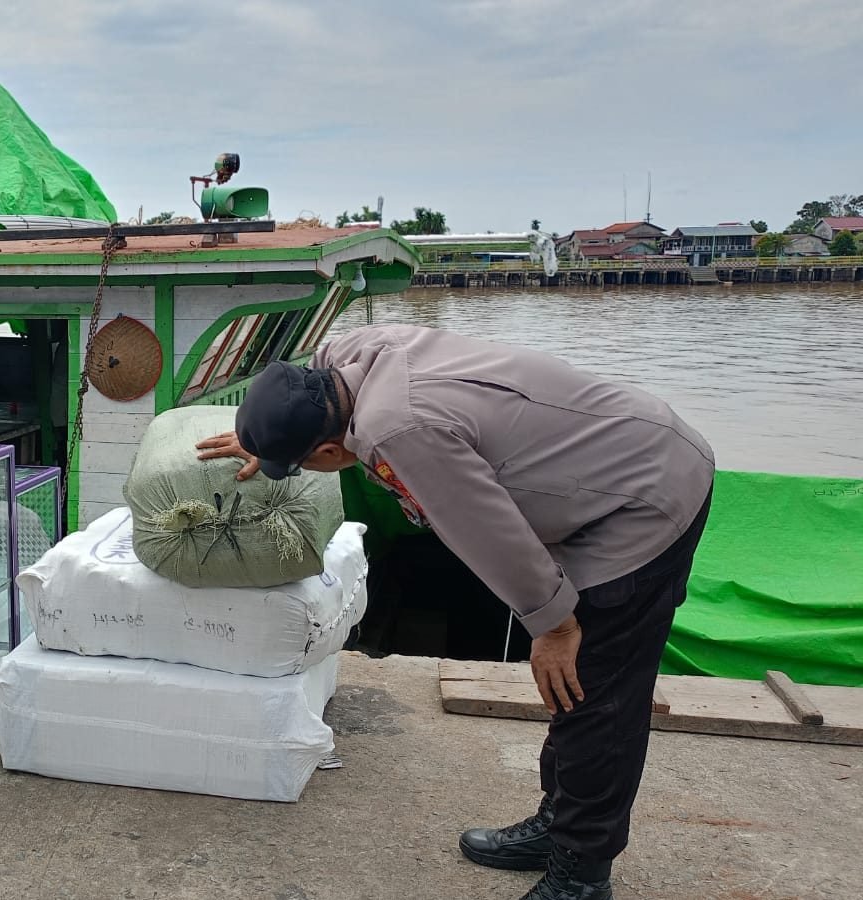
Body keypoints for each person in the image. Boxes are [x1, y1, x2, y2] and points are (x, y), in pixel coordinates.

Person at [196, 324, 714, 900]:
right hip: (609, 451)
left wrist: (556, 624)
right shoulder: (346, 361)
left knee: (594, 690)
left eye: (299, 464)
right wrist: (268, 438)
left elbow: (487, 531)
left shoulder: (401, 429)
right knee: (575, 686)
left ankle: (582, 872)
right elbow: (319, 419)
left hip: (643, 494)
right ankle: (558, 823)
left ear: (325, 451)